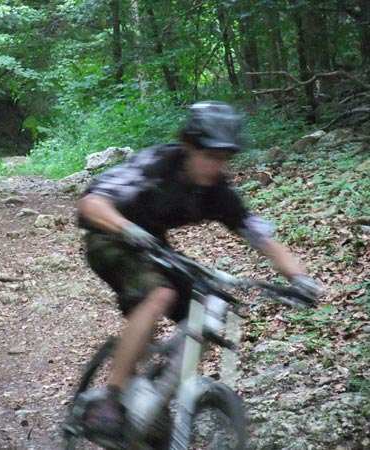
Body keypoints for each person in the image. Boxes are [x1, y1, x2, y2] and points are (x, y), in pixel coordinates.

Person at [77, 101, 321, 437]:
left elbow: (260, 235)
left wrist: (300, 278)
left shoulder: (218, 192)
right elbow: (91, 203)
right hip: (109, 237)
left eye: (223, 159)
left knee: (208, 310)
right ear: (189, 147)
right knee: (159, 293)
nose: (215, 167)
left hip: (154, 246)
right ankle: (111, 397)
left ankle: (153, 387)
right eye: (209, 156)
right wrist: (125, 228)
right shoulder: (156, 165)